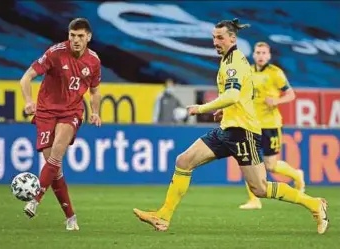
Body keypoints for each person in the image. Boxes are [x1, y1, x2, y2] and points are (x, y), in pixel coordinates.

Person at [132, 18, 329, 234]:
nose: (215, 42)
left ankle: (314, 204)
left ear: (232, 38)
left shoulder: (235, 61)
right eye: (214, 37)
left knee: (260, 188)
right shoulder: (228, 60)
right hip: (227, 129)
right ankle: (163, 216)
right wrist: (224, 111)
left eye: (220, 38)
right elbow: (241, 95)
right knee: (184, 161)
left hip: (244, 133)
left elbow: (234, 94)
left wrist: (202, 108)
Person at [20, 18, 102, 231]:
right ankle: (70, 217)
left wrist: (95, 113)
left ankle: (35, 200)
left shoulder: (94, 61)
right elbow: (26, 78)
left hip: (71, 112)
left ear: (88, 37)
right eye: (72, 35)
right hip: (46, 112)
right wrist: (28, 101)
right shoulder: (55, 53)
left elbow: (94, 91)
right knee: (54, 169)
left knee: (56, 155)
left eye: (80, 36)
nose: (75, 40)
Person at [224, 41, 304, 210]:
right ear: (253, 55)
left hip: (271, 124)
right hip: (251, 123)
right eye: (258, 52)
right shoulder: (247, 72)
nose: (260, 56)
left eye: (264, 53)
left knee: (270, 166)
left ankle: (297, 175)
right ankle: (254, 200)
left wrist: (276, 101)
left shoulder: (276, 73)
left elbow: (291, 95)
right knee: (248, 160)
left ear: (269, 56)